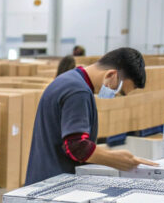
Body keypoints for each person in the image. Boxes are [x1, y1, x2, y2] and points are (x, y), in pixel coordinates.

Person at [25, 47, 155, 184]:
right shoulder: (78, 91)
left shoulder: (69, 79)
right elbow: (76, 147)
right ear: (111, 74)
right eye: (118, 91)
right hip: (53, 185)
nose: (115, 95)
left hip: (44, 178)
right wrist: (115, 159)